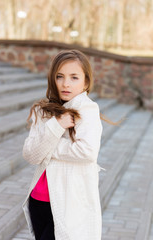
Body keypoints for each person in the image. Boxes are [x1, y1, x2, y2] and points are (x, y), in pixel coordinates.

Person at [22, 49, 124, 240]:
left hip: (69, 202)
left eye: (74, 77)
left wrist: (47, 146)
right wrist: (56, 126)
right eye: (59, 76)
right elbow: (30, 155)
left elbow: (87, 152)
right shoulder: (42, 111)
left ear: (86, 82)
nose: (65, 83)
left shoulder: (88, 110)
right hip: (38, 200)